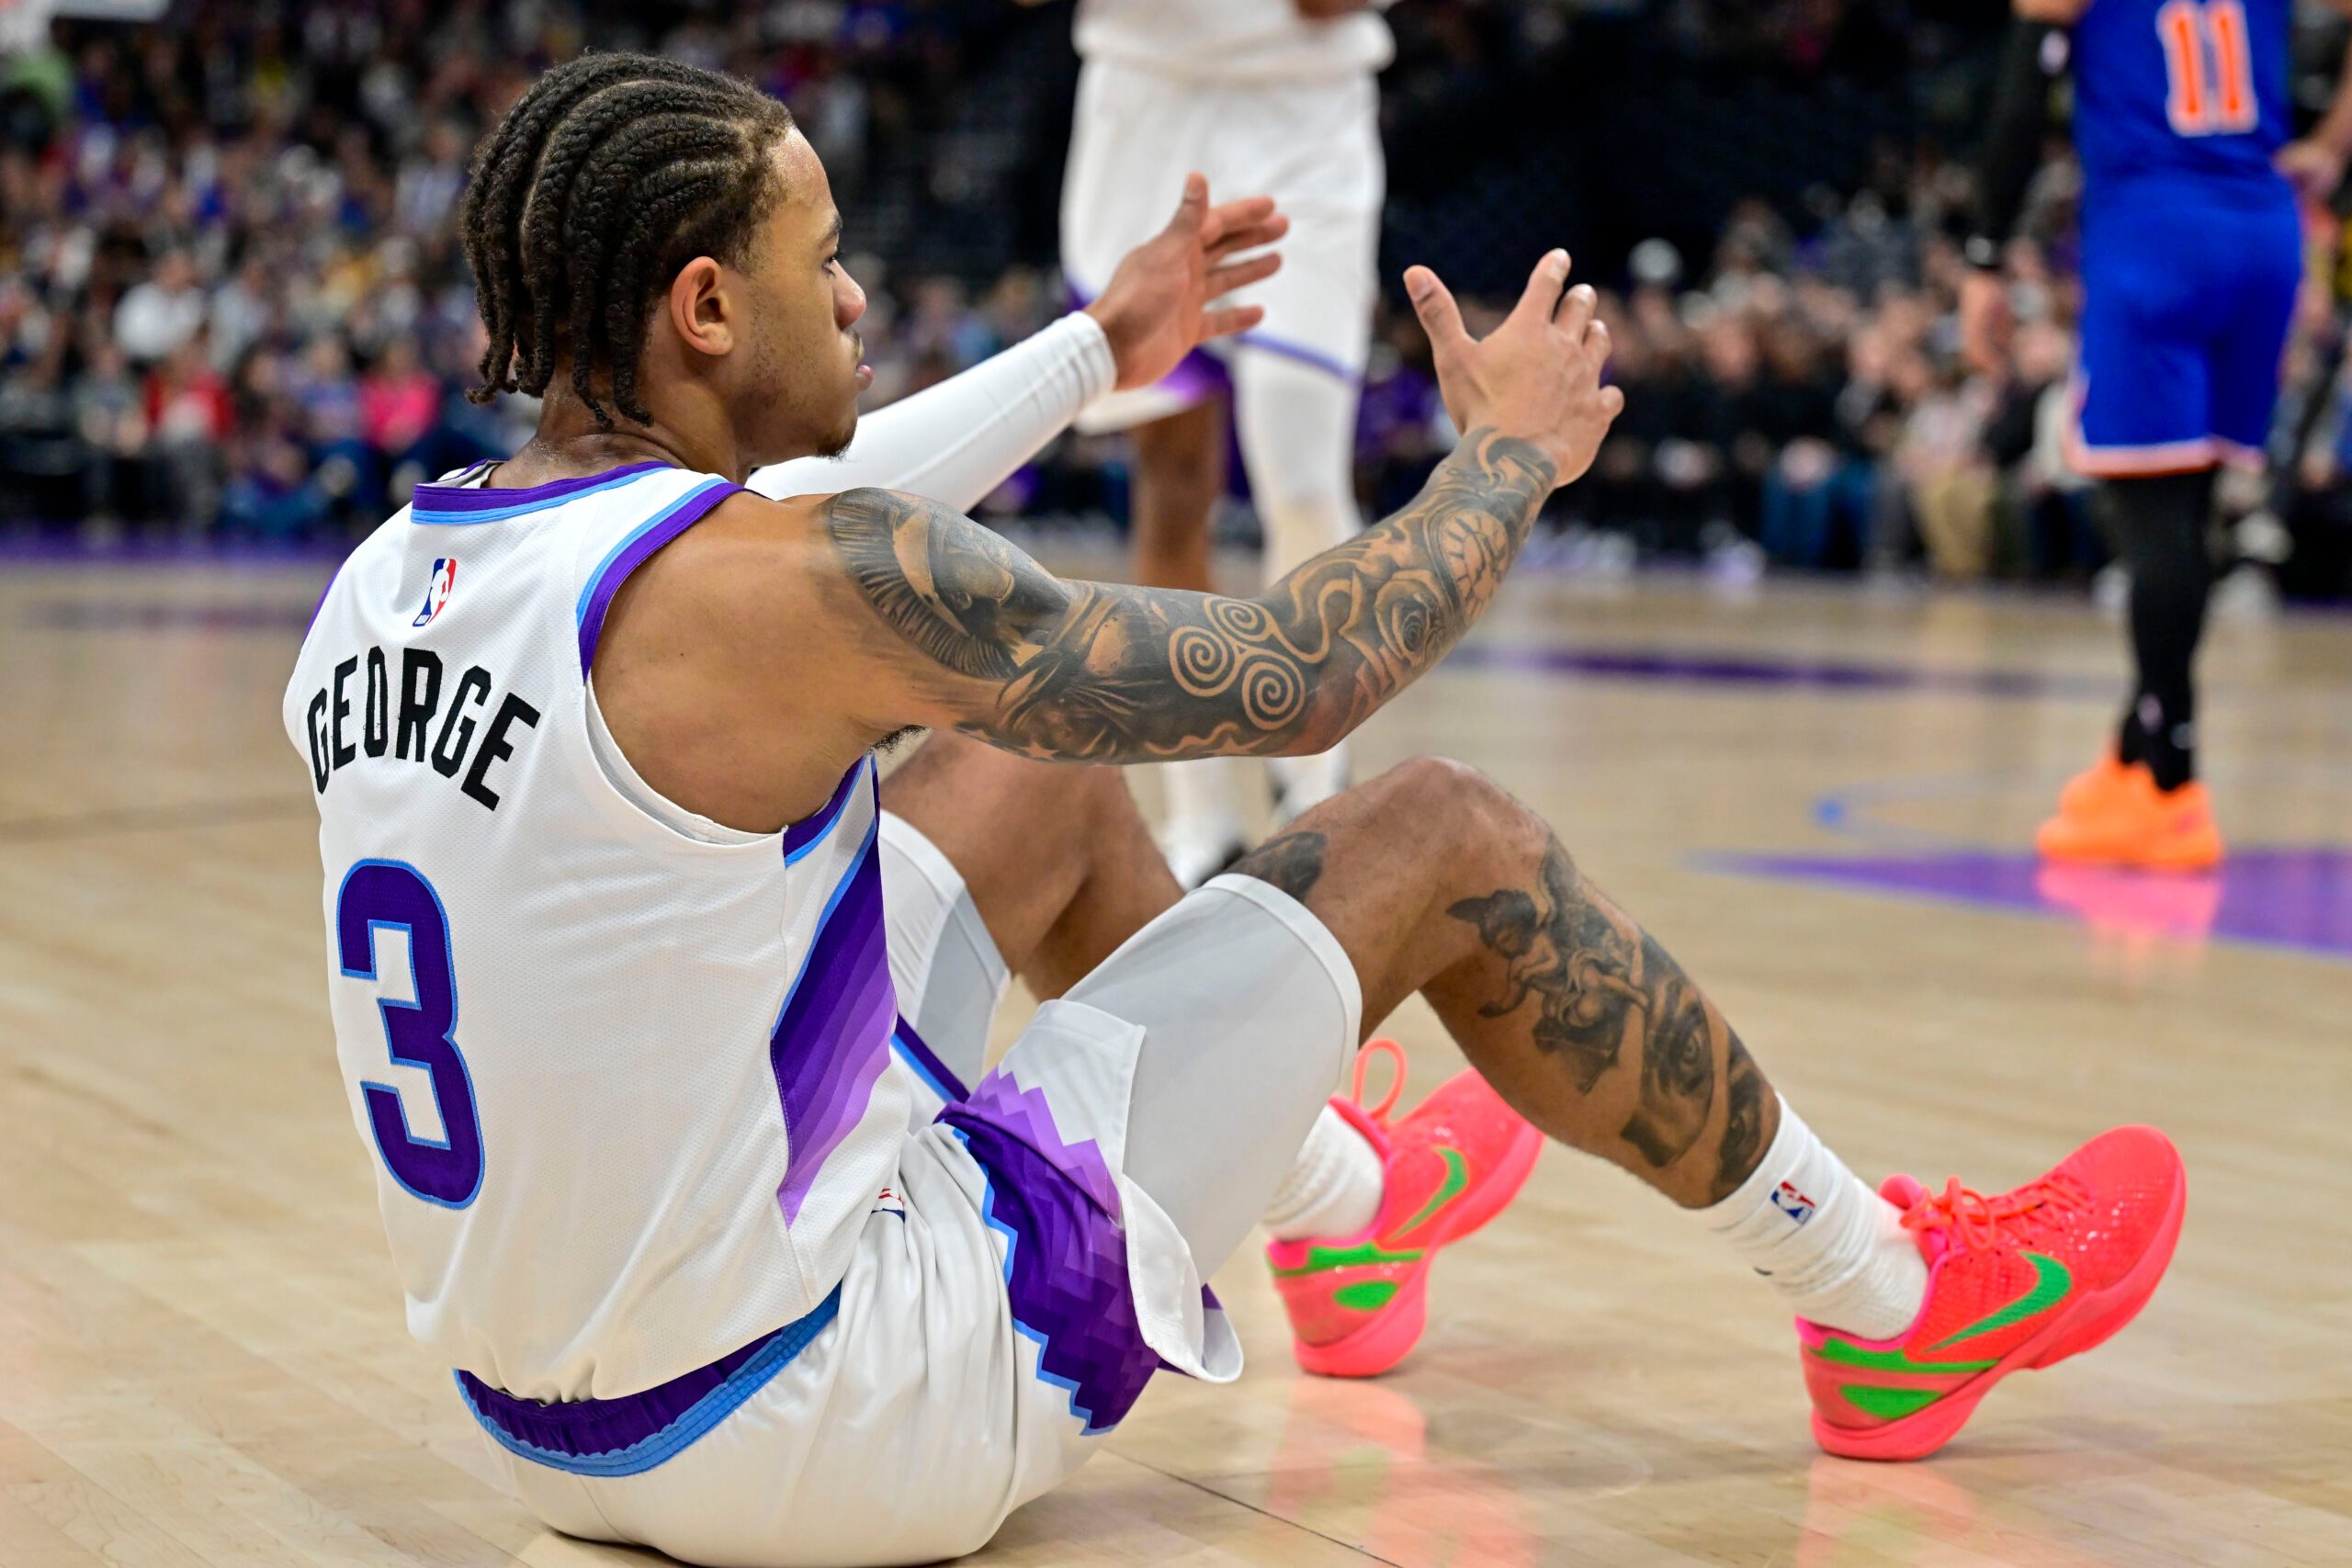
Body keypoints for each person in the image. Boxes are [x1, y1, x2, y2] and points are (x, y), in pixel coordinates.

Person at [288, 54, 2186, 1568]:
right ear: (707, 306)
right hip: (824, 1424)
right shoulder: (778, 591)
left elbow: (813, 494)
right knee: (1442, 832)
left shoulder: (391, 579)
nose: (855, 294)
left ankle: (1339, 1207)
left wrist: (1102, 350)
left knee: (1036, 769)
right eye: (821, 259)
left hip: (540, 1419)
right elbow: (1304, 673)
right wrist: (1504, 462)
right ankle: (1887, 1294)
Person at [1962, 0, 2352, 868]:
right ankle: (2135, 750)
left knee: (2152, 522)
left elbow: (2021, 102)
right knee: (2189, 511)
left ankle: (2173, 782)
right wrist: (2330, 147)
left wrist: (1985, 257)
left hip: (2155, 231)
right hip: (2262, 234)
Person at [1056, 0, 1390, 885]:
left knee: (1302, 469)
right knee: (1172, 479)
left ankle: (1315, 781)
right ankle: (1199, 813)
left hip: (1304, 108)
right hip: (1147, 107)